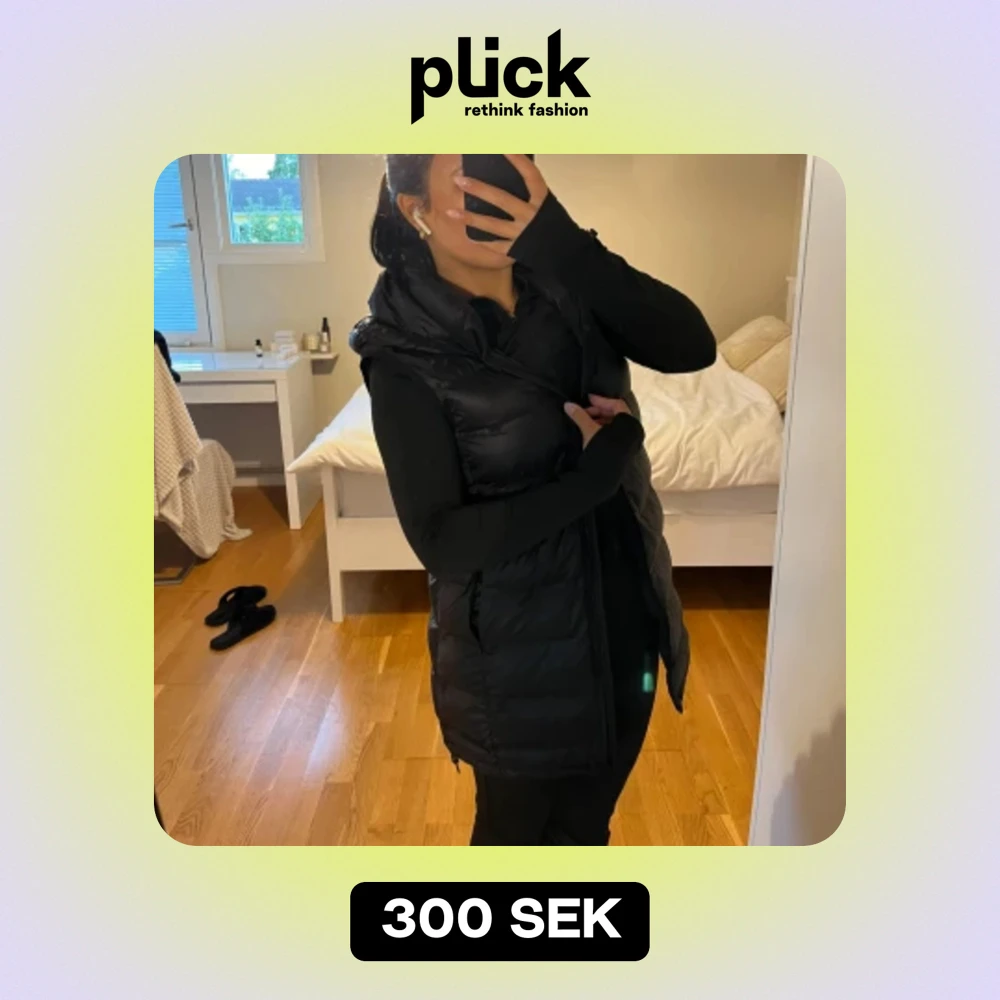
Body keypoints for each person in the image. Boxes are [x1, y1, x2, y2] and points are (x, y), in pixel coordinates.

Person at [350, 154, 716, 845]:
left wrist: (564, 241)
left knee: (588, 830)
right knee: (513, 844)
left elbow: (691, 346)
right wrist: (595, 474)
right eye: (469, 181)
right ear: (415, 209)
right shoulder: (404, 354)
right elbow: (441, 540)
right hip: (521, 662)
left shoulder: (569, 283)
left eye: (506, 171)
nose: (492, 195)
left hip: (627, 622)